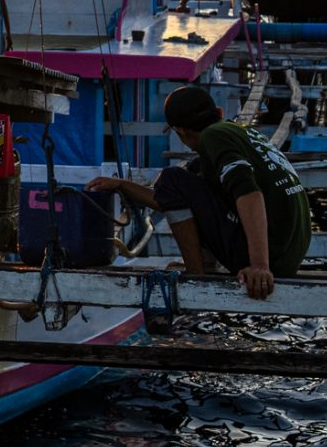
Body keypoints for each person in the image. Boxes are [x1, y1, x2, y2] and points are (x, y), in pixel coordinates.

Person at [90, 84, 310, 299]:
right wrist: (121, 184)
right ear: (220, 113)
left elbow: (249, 194)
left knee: (172, 178)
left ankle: (195, 274)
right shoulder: (243, 132)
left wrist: (259, 266)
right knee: (191, 172)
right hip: (287, 256)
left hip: (270, 260)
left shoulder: (212, 137)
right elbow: (170, 200)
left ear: (180, 132)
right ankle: (204, 265)